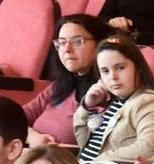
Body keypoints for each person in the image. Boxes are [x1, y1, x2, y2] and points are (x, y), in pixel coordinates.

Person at [73, 35, 154, 164]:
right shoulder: (116, 102)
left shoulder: (148, 101)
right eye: (105, 71)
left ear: (137, 67)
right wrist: (87, 107)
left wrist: (96, 161)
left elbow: (148, 147)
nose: (112, 77)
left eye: (120, 68)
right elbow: (83, 145)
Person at [24, 15, 113, 149]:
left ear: (100, 44)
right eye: (61, 42)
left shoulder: (111, 91)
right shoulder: (59, 86)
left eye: (77, 41)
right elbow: (17, 117)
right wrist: (31, 135)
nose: (67, 49)